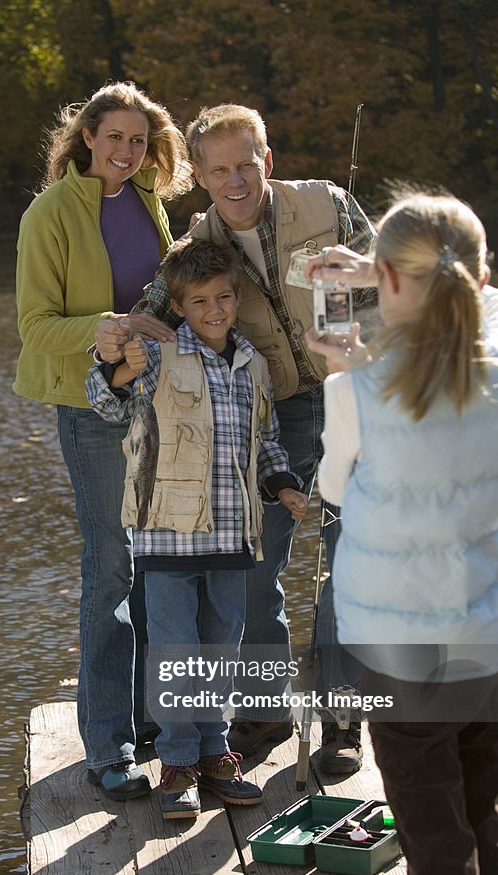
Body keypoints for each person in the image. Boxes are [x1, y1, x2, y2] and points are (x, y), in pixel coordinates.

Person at [306, 192, 498, 875]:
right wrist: (390, 287)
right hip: (495, 641)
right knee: (483, 825)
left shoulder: (363, 389)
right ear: (477, 274)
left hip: (401, 653)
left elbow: (332, 488)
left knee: (436, 858)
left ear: (387, 281)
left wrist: (344, 364)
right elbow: (497, 304)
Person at [94, 103, 376, 767]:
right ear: (196, 175)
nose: (235, 181)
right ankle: (264, 712)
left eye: (245, 164)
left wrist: (364, 278)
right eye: (217, 169)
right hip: (270, 421)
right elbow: (142, 327)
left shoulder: (328, 206)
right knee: (252, 577)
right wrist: (114, 346)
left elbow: (398, 288)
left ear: (266, 162)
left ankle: (340, 725)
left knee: (354, 573)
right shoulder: (196, 253)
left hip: (355, 400)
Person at [86, 237, 308, 819]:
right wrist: (118, 371)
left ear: (237, 299)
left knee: (221, 648)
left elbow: (268, 441)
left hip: (234, 537)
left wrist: (283, 484)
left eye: (224, 297)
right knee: (175, 650)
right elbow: (105, 404)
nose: (215, 309)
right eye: (201, 300)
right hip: (167, 536)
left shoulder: (253, 363)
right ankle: (178, 762)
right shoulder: (157, 354)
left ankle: (215, 753)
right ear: (180, 306)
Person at [13, 81, 192, 799]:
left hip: (153, 400)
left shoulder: (150, 203)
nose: (125, 150)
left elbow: (158, 298)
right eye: (113, 137)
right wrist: (106, 326)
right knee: (110, 569)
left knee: (156, 564)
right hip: (89, 409)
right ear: (87, 136)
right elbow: (35, 327)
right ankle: (108, 747)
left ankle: (154, 723)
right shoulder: (49, 213)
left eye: (138, 141)